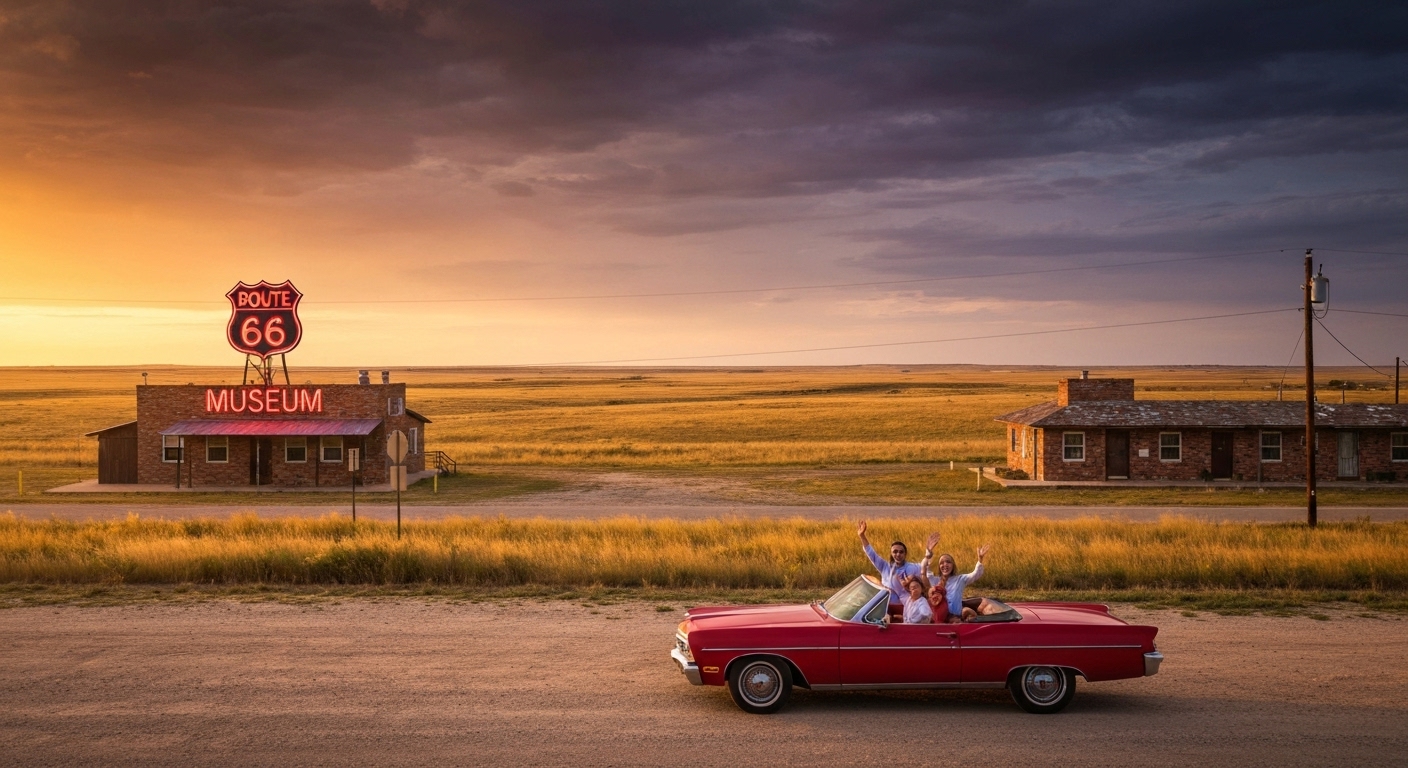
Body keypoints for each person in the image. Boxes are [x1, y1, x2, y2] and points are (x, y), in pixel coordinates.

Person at [857, 520, 924, 615]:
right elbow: (871, 554)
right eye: (895, 552)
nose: (898, 554)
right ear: (891, 554)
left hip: (905, 608)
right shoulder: (885, 566)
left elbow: (925, 565)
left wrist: (929, 553)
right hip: (886, 608)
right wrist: (862, 536)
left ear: (905, 554)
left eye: (901, 552)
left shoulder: (912, 567)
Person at [925, 543, 991, 622]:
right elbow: (926, 572)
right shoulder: (935, 580)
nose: (945, 564)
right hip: (939, 619)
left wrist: (980, 559)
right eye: (941, 563)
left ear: (953, 565)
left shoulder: (960, 579)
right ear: (939, 567)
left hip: (955, 619)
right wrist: (928, 554)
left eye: (948, 562)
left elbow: (975, 574)